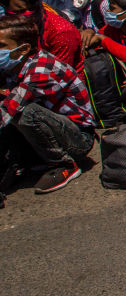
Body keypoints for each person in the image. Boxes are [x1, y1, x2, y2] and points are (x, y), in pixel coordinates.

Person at [0, 15, 95, 194]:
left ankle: (63, 164)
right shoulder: (16, 64)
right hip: (54, 127)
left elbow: (9, 108)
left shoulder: (41, 70)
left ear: (24, 48)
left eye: (2, 46)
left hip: (78, 138)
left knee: (26, 112)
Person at [2, 0, 84, 78]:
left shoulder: (60, 31)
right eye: (18, 13)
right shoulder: (10, 24)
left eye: (30, 10)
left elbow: (57, 77)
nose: (27, 16)